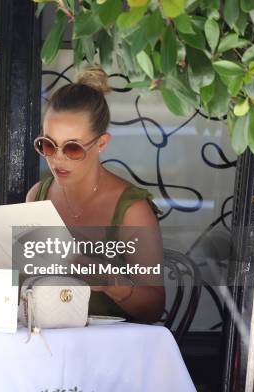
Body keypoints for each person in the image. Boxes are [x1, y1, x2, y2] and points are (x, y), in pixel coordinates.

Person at [26, 66, 164, 323]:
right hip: (47, 338)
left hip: (109, 349)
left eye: (73, 148)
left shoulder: (131, 209)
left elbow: (154, 307)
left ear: (101, 144)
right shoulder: (38, 195)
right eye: (47, 144)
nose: (57, 158)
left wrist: (112, 283)